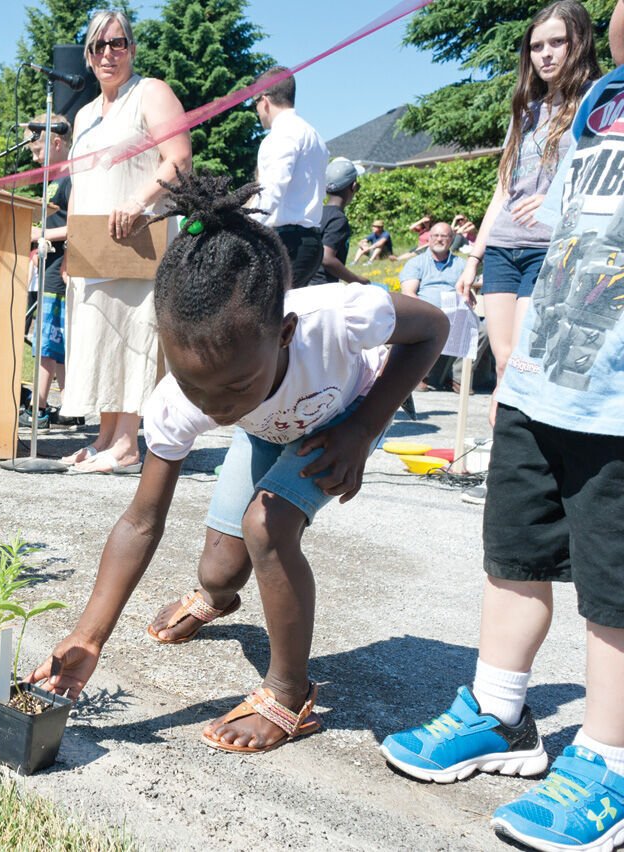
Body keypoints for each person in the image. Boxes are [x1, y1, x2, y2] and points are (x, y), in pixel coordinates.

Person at [28, 172, 448, 754]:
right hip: (268, 429)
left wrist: (365, 426)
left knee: (266, 526)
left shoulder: (336, 316)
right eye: (195, 387)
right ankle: (216, 598)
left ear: (284, 334)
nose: (214, 408)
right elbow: (141, 521)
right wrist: (88, 636)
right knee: (221, 571)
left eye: (233, 387)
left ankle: (288, 693)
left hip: (345, 420)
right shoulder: (185, 399)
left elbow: (432, 329)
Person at [381, 5, 624, 849]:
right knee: (513, 551)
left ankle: (610, 757)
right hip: (545, 376)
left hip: (618, 400)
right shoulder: (598, 108)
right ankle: (501, 712)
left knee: (615, 588)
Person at [454, 0, 600, 505]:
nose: (545, 54)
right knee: (505, 360)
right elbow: (504, 187)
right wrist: (474, 255)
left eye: (556, 42)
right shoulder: (527, 109)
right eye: (536, 46)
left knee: (526, 367)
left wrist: (561, 196)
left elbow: (604, 177)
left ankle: (519, 477)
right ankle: (506, 470)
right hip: (503, 251)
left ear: (578, 41)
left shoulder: (596, 103)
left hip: (550, 251)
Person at [60, 9, 192, 473]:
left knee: (134, 336)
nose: (108, 54)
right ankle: (104, 438)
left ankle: (128, 445)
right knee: (99, 337)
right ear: (89, 57)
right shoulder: (85, 117)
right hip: (94, 245)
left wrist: (139, 201)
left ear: (132, 48)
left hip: (138, 238)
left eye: (117, 43)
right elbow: (78, 186)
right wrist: (73, 244)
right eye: (98, 46)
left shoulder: (151, 93)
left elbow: (178, 159)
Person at [251, 67, 329, 287]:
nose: (256, 110)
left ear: (264, 100)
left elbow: (271, 191)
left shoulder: (281, 135)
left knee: (271, 316)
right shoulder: (313, 135)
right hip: (310, 241)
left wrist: (243, 226)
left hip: (287, 243)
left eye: (255, 103)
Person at [23, 114, 73, 430]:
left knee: (47, 338)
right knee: (56, 340)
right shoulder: (53, 182)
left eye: (38, 151)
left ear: (56, 142)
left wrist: (39, 235)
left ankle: (38, 407)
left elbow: (78, 226)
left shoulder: (72, 179)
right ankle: (71, 406)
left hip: (61, 267)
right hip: (46, 265)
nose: (35, 158)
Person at [308, 158, 370, 286]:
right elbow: (327, 258)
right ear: (353, 187)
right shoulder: (338, 219)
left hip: (307, 282)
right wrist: (358, 280)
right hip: (323, 287)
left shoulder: (317, 213)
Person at [399, 222, 469, 304]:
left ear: (451, 239)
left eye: (444, 236)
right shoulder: (415, 263)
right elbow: (408, 294)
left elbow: (469, 290)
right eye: (436, 235)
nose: (439, 239)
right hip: (424, 313)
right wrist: (429, 312)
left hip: (456, 313)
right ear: (429, 238)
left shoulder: (462, 264)